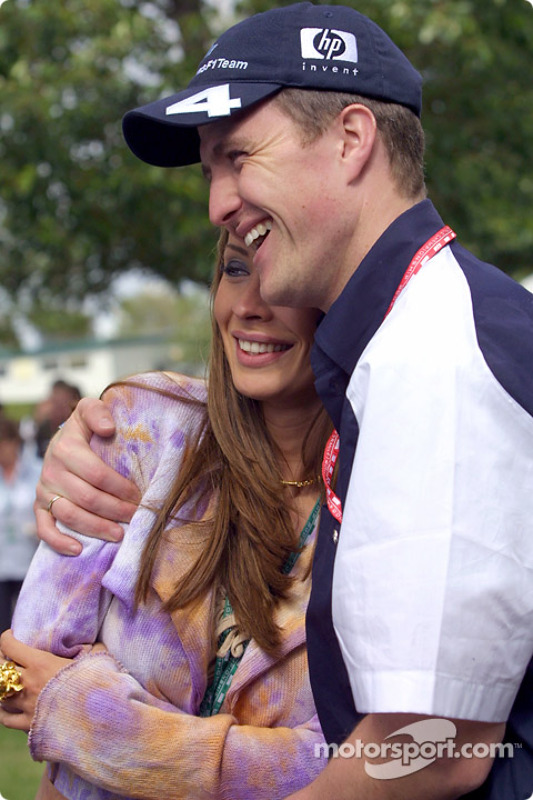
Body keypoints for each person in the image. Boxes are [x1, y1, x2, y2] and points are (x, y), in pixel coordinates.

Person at [13, 2, 533, 798]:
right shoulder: (384, 355)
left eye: (239, 157)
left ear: (352, 140)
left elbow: (432, 746)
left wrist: (97, 720)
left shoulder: (430, 356)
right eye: (208, 169)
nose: (218, 203)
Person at [0, 229, 331, 799]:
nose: (250, 305)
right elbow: (20, 671)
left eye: (283, 277)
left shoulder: (385, 490)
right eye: (234, 270)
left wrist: (86, 715)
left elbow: (360, 764)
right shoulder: (146, 426)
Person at [0, 418, 41, 633]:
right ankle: (4, 669)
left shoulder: (35, 471)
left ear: (13, 443)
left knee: (26, 630)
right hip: (2, 562)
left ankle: (19, 668)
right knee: (2, 630)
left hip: (30, 561)